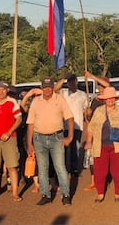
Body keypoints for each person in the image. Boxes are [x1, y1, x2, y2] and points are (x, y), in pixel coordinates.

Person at [26, 76, 75, 206]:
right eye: (45, 87)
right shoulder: (36, 101)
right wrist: (29, 143)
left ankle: (65, 194)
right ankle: (45, 195)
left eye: (49, 87)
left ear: (53, 87)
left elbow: (70, 118)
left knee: (60, 167)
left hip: (56, 137)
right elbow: (30, 123)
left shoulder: (60, 100)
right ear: (42, 87)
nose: (47, 89)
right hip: (38, 138)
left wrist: (70, 136)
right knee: (42, 169)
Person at [85, 87, 119, 202]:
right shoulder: (98, 111)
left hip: (118, 145)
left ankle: (118, 193)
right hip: (100, 145)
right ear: (104, 100)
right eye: (108, 98)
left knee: (118, 171)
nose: (110, 100)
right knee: (100, 172)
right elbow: (91, 127)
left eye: (112, 98)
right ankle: (100, 193)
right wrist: (88, 141)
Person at [54, 75, 89, 176]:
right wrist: (64, 79)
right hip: (64, 125)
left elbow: (86, 111)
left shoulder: (83, 95)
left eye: (73, 81)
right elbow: (55, 89)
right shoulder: (63, 93)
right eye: (69, 82)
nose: (71, 84)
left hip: (77, 126)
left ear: (77, 82)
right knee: (64, 148)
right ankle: (63, 169)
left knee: (75, 148)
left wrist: (87, 119)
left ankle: (74, 169)